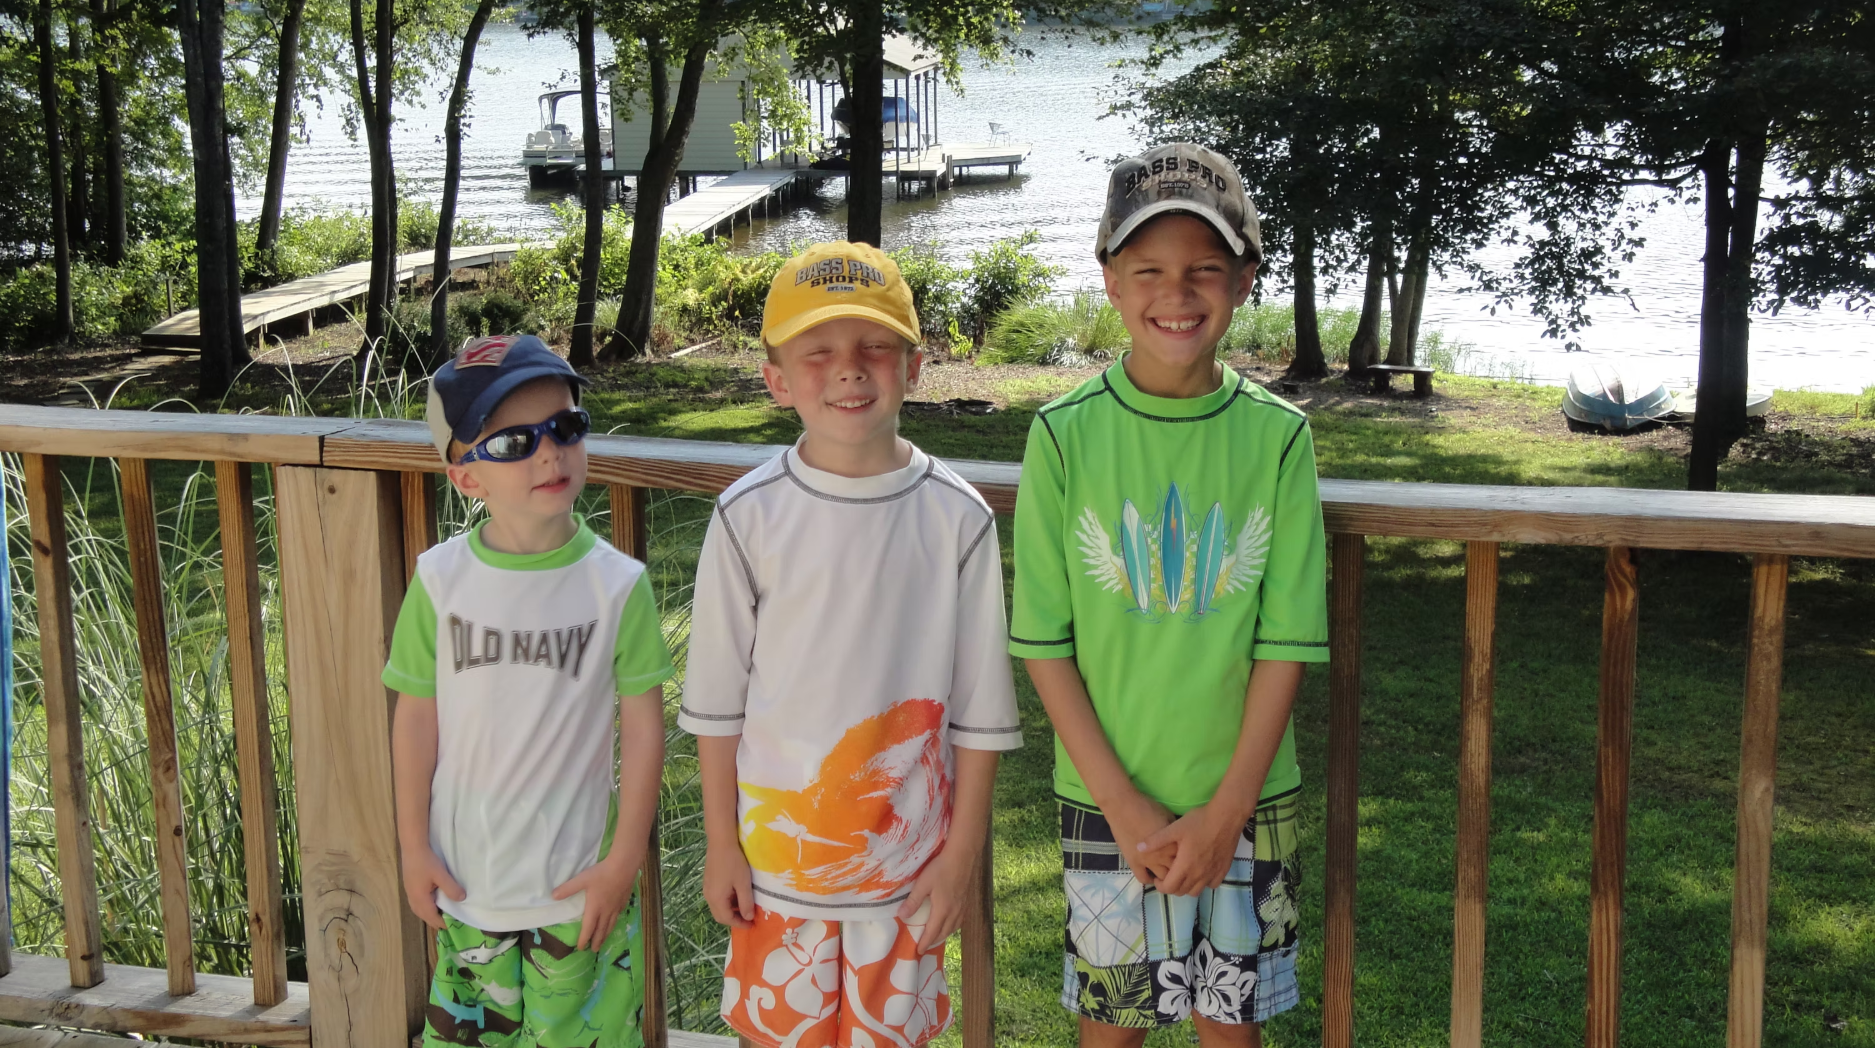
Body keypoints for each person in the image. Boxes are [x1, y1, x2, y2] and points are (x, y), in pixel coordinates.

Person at [1009, 143, 1329, 1048]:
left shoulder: (1276, 438)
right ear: (1110, 281)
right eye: (1148, 269)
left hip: (1249, 802)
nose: (1176, 295)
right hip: (1108, 801)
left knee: (1229, 1032)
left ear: (1245, 281)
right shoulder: (1064, 435)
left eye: (1205, 271)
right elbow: (1043, 641)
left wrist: (1227, 810)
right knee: (1111, 1030)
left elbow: (1286, 640)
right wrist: (1121, 805)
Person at [680, 241, 1023, 1048]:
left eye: (874, 346)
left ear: (914, 368)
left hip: (906, 878)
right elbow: (716, 705)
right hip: (774, 878)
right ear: (775, 376)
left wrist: (959, 858)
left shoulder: (958, 519)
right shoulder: (746, 516)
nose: (848, 369)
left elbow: (978, 717)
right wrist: (721, 845)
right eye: (818, 352)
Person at [385, 334, 675, 1048]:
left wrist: (621, 865)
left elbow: (643, 732)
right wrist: (411, 846)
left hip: (578, 893)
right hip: (467, 886)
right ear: (466, 478)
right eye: (514, 442)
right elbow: (415, 721)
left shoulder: (617, 586)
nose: (550, 453)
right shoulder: (438, 581)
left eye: (565, 428)